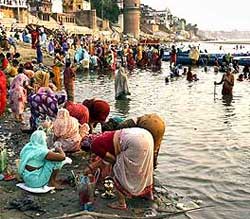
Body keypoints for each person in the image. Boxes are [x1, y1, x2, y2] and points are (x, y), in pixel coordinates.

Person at [82, 127, 154, 210]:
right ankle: (148, 194)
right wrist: (91, 167)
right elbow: (105, 158)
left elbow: (113, 160)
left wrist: (95, 168)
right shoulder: (102, 137)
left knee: (119, 170)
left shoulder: (94, 146)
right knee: (145, 168)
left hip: (134, 142)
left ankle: (121, 203)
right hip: (145, 134)